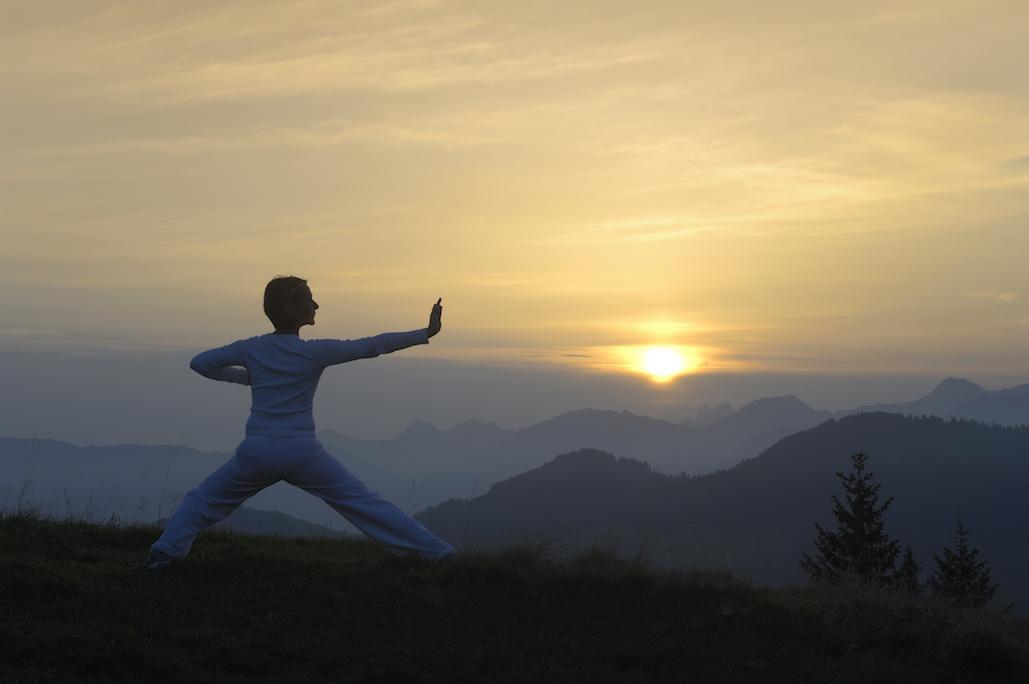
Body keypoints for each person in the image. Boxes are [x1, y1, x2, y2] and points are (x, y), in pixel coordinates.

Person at [145, 276, 454, 570]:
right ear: (291, 309)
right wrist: (426, 332)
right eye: (309, 299)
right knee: (364, 503)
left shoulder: (251, 347)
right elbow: (373, 345)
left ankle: (165, 553)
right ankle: (436, 554)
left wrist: (248, 378)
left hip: (258, 450)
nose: (316, 305)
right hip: (302, 451)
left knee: (203, 499)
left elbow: (200, 363)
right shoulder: (312, 352)